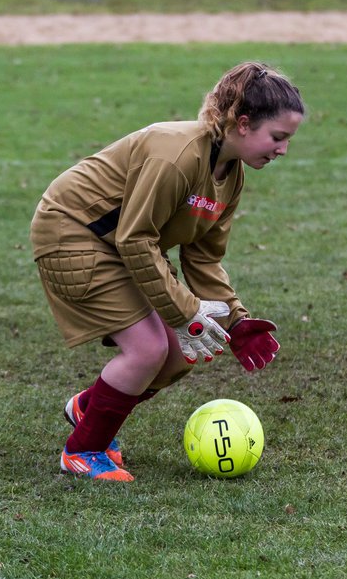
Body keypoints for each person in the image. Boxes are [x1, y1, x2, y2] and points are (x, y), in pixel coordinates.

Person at [30, 61, 305, 482]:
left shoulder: (230, 175)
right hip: (71, 233)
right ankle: (82, 451)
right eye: (278, 137)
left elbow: (203, 258)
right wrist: (183, 313)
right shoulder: (176, 155)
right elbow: (136, 239)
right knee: (147, 348)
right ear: (243, 123)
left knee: (181, 353)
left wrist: (236, 318)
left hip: (122, 244)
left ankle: (90, 409)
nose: (283, 149)